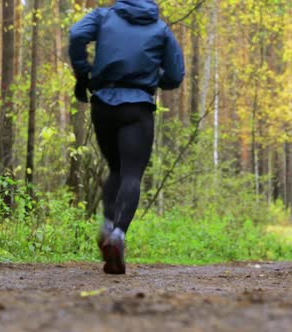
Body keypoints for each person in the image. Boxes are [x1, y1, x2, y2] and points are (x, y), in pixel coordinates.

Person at [69, 0, 185, 274]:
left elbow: (76, 35)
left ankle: (108, 225)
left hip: (103, 104)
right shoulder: (160, 29)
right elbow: (176, 75)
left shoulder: (103, 17)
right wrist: (155, 78)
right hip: (138, 108)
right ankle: (118, 234)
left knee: (116, 169)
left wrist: (82, 70)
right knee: (132, 173)